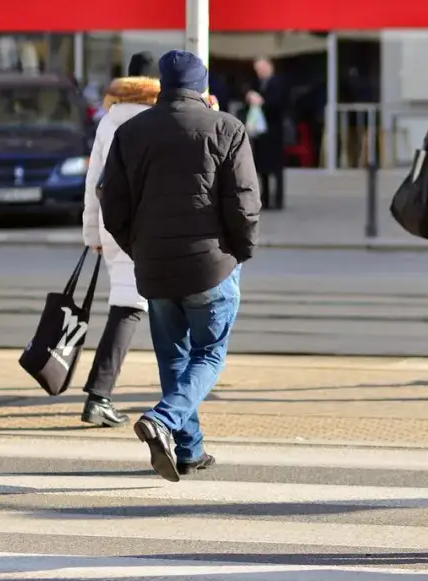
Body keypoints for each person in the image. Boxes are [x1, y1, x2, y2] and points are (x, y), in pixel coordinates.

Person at [101, 50, 261, 482]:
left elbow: (110, 201)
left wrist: (137, 247)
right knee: (208, 353)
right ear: (202, 86)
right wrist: (241, 251)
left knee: (173, 357)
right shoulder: (227, 127)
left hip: (155, 265)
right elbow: (244, 200)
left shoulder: (131, 130)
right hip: (212, 264)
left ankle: (189, 451)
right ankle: (163, 419)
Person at [80, 52, 160, 428]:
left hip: (114, 225)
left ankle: (176, 396)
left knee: (134, 305)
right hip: (145, 226)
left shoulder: (110, 118)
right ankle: (99, 396)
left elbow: (92, 179)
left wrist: (92, 232)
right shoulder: (158, 117)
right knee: (131, 308)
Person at [244, 57, 289, 211]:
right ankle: (265, 198)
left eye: (262, 69)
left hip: (274, 130)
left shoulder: (278, 83)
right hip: (260, 131)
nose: (260, 73)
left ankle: (278, 200)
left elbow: (280, 103)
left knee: (277, 167)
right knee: (261, 167)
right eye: (257, 70)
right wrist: (250, 97)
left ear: (269, 68)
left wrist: (262, 101)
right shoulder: (256, 83)